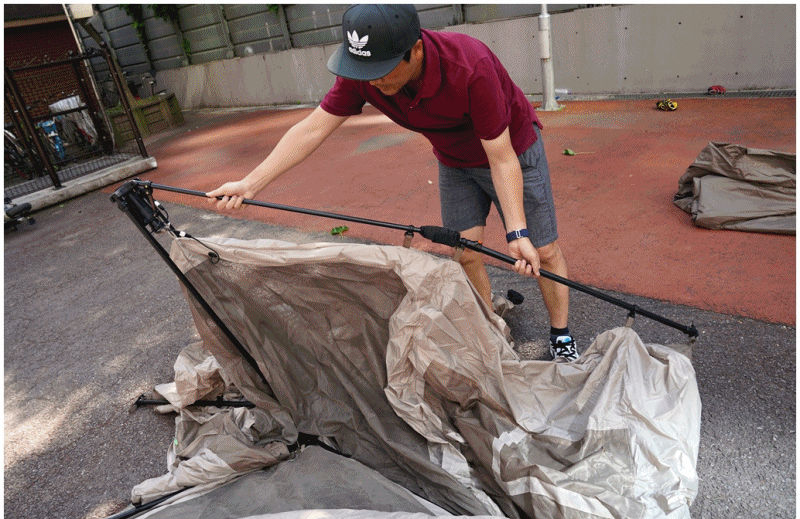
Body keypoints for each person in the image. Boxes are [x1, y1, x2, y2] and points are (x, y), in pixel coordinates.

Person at [207, 4, 579, 362]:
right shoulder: (363, 74)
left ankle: (561, 335)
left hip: (512, 149)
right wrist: (250, 184)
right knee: (465, 252)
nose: (374, 80)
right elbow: (312, 129)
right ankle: (489, 331)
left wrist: (517, 232)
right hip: (453, 160)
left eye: (383, 70)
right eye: (364, 70)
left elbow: (501, 157)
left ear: (415, 50)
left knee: (542, 250)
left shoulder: (469, 65)